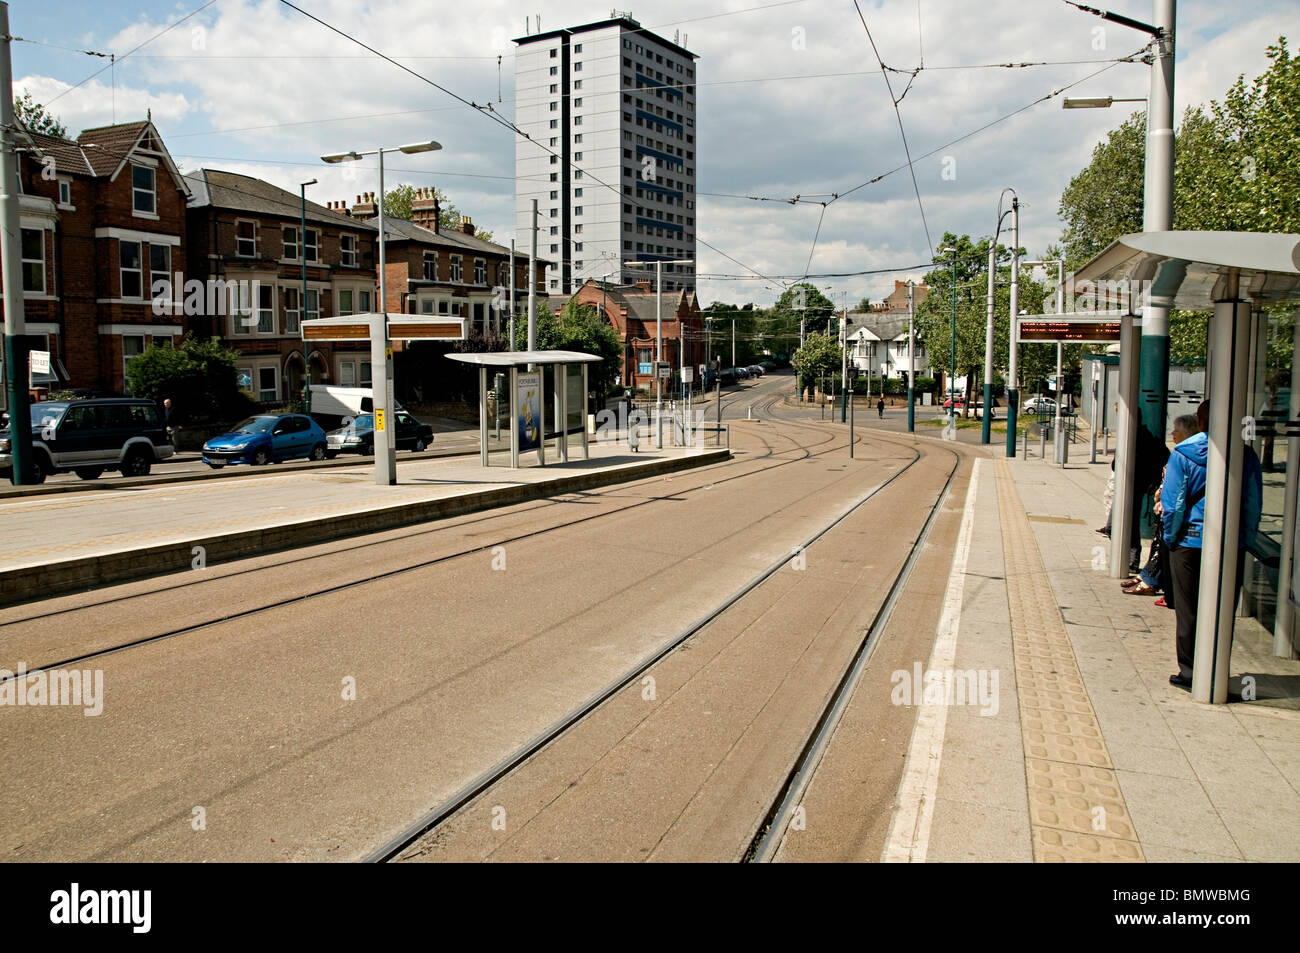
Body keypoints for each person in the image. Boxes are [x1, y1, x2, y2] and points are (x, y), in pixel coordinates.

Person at [1164, 400, 1262, 689]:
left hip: (1189, 541)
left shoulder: (1182, 454)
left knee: (1188, 609)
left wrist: (1171, 538)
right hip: (1231, 544)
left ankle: (1190, 671)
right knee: (1223, 608)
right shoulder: (1246, 455)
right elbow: (1252, 502)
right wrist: (1246, 538)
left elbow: (1174, 505)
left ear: (1201, 421)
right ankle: (1217, 667)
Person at [1123, 415, 1199, 598]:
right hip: (1179, 516)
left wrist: (1171, 533)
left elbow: (1177, 499)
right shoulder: (1183, 453)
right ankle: (1148, 576)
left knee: (1162, 547)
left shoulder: (1182, 455)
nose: (1172, 433)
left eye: (1176, 430)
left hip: (1178, 519)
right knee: (1158, 546)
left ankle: (1152, 581)